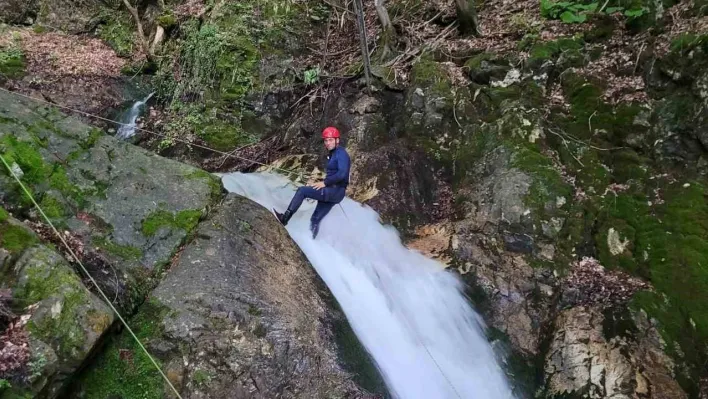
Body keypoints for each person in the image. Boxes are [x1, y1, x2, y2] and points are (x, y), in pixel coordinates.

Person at [274, 126, 350, 239]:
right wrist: (320, 182)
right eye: (326, 140)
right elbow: (335, 174)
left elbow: (342, 173)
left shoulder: (341, 153)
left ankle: (284, 219)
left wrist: (325, 183)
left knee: (302, 191)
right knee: (315, 219)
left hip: (334, 191)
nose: (327, 143)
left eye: (330, 140)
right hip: (335, 191)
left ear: (337, 140)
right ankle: (312, 242)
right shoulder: (334, 154)